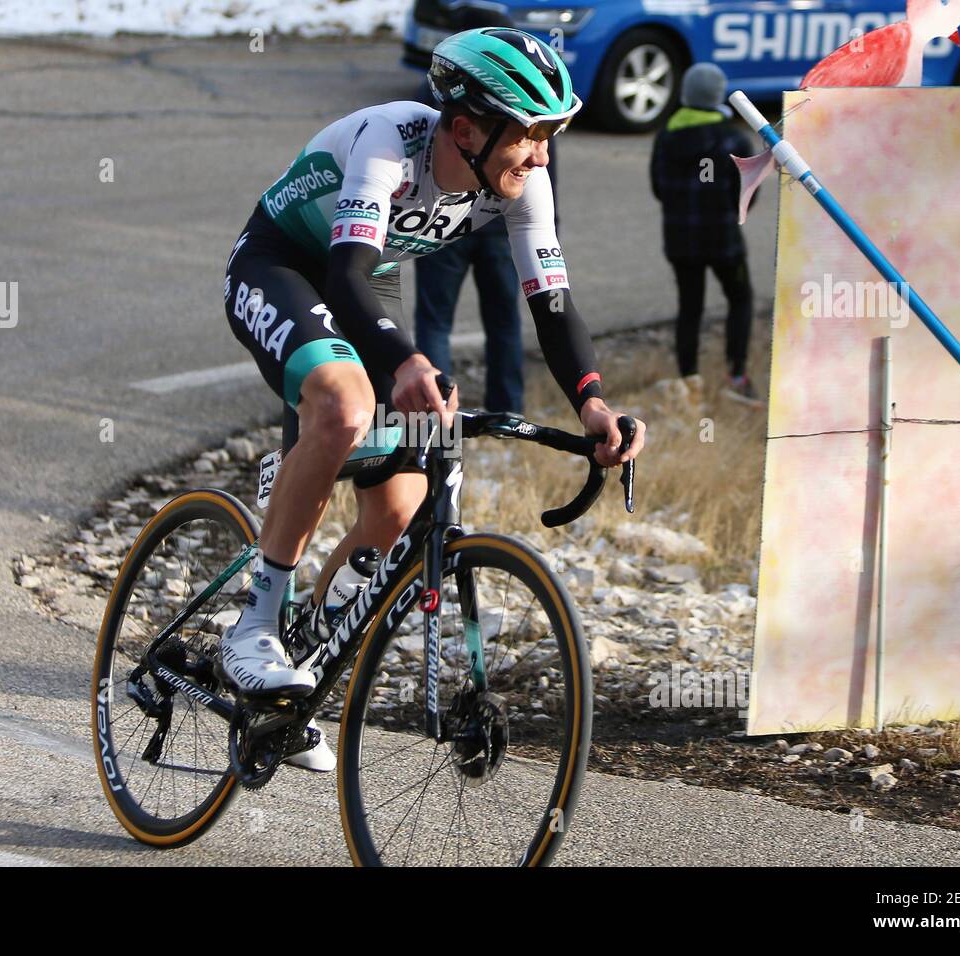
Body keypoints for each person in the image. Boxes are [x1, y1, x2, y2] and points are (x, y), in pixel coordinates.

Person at [219, 27, 646, 770]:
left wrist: (594, 406)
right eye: (530, 135)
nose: (542, 154)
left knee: (398, 504)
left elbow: (550, 303)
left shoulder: (525, 181)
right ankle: (255, 622)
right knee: (346, 407)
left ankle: (296, 676)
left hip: (366, 275)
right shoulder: (390, 140)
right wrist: (407, 360)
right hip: (287, 263)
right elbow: (345, 278)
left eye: (550, 135)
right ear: (464, 128)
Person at [411, 77, 561, 414]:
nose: (541, 158)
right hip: (498, 232)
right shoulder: (530, 93)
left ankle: (435, 419)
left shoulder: (440, 86)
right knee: (504, 321)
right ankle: (507, 412)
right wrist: (552, 228)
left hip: (442, 226)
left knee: (435, 321)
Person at [649, 62, 758, 399]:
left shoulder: (666, 136)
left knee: (690, 307)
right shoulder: (734, 138)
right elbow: (747, 195)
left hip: (681, 241)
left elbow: (659, 188)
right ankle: (737, 373)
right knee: (740, 297)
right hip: (724, 240)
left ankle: (689, 377)